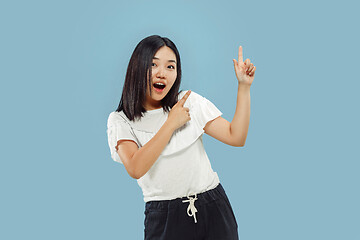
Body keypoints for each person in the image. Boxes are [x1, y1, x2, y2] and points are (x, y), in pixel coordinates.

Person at [106, 35, 256, 240]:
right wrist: (171, 124)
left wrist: (244, 87)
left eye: (170, 67)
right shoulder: (121, 120)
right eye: (153, 64)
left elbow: (236, 137)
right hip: (165, 217)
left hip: (213, 207)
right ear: (137, 68)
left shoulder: (188, 102)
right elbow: (135, 167)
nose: (162, 73)